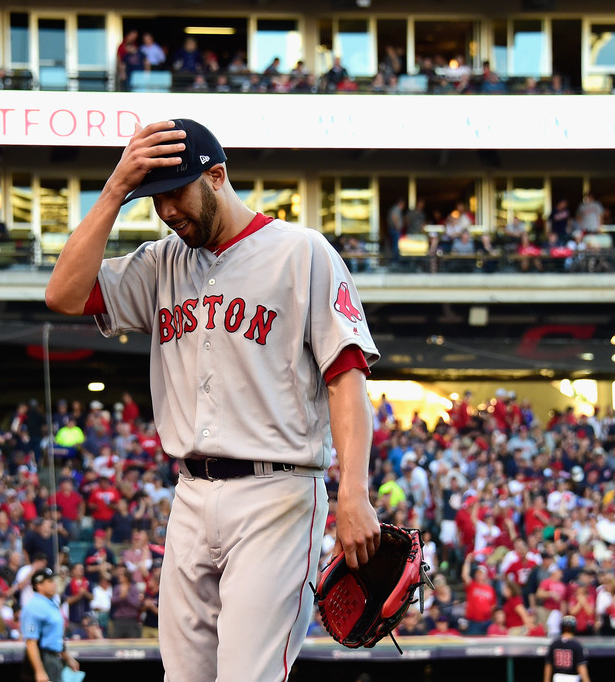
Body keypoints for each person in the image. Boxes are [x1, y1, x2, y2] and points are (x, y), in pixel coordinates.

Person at [44, 118, 381, 682]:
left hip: (278, 491)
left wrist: (354, 493)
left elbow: (346, 377)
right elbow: (63, 294)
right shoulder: (162, 262)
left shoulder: (302, 253)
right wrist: (113, 192)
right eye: (153, 199)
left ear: (217, 176)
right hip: (192, 495)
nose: (167, 211)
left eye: (176, 192)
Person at [20, 568, 79, 682]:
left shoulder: (52, 603)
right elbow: (31, 642)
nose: (55, 584)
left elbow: (57, 635)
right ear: (39, 585)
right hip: (43, 658)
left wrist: (67, 658)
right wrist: (39, 671)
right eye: (50, 581)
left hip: (54, 658)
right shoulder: (33, 607)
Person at [544, 615, 591, 682]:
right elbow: (581, 667)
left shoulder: (554, 644)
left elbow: (548, 666)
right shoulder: (576, 645)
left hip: (557, 678)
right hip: (572, 679)